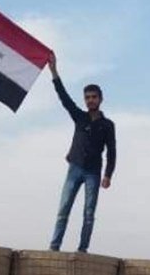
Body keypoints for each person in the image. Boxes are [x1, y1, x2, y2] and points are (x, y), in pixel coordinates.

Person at [47, 54, 116, 254]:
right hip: (75, 168)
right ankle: (54, 247)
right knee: (63, 210)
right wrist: (54, 71)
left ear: (101, 99)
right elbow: (64, 98)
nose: (90, 100)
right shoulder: (79, 117)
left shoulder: (107, 125)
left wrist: (108, 175)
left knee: (88, 213)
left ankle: (82, 249)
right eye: (87, 97)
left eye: (94, 97)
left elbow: (112, 151)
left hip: (93, 172)